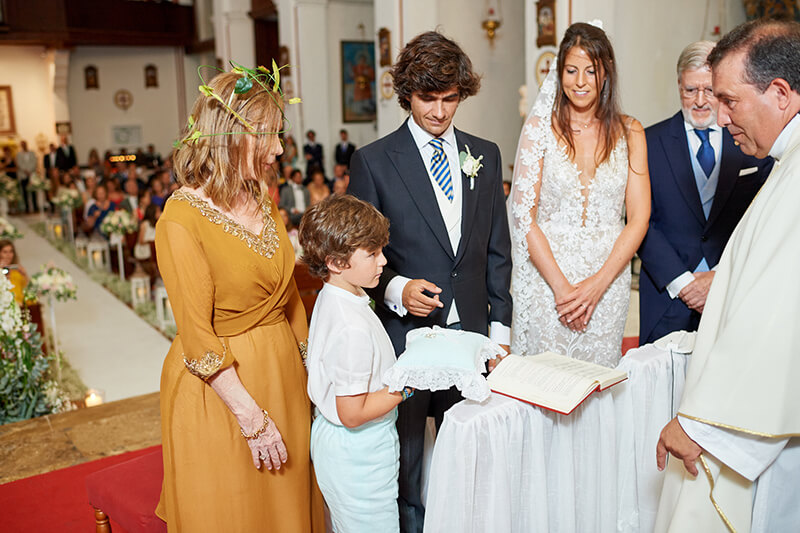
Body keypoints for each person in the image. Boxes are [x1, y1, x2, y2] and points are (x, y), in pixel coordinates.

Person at [348, 31, 513, 533]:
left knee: (472, 460)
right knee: (408, 464)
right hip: (406, 344)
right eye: (427, 99)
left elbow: (497, 253)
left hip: (473, 341)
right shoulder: (374, 161)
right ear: (406, 94)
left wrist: (500, 335)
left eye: (450, 99)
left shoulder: (484, 155)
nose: (440, 112)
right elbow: (357, 260)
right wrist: (397, 290)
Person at [154, 71, 323, 532]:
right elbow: (196, 333)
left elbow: (287, 296)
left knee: (289, 510)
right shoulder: (181, 219)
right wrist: (252, 419)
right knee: (236, 512)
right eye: (268, 135)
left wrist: (314, 374)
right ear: (229, 135)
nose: (279, 150)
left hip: (282, 375)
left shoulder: (262, 197)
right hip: (223, 393)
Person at [654, 20, 800, 533]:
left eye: (730, 101)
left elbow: (778, 319)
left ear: (779, 94)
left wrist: (700, 424)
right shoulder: (786, 162)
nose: (719, 116)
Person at [508, 22, 650, 368]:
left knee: (596, 383)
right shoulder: (540, 130)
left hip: (607, 283)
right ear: (560, 72)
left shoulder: (630, 131)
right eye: (572, 70)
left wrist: (597, 286)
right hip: (547, 283)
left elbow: (639, 217)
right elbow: (523, 214)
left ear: (606, 73)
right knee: (545, 383)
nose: (581, 81)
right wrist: (561, 289)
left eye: (591, 71)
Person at [637, 41, 772, 345]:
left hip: (732, 295)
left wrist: (720, 276)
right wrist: (684, 284)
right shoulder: (647, 142)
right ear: (678, 86)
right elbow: (639, 221)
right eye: (690, 90)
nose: (700, 101)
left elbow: (763, 219)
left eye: (709, 90)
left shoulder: (752, 142)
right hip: (668, 300)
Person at [301, 194, 412, 533]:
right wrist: (408, 385)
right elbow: (351, 412)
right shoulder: (350, 326)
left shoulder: (338, 295)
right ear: (336, 262)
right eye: (372, 254)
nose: (383, 262)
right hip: (359, 454)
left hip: (346, 447)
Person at [0, 240, 28, 305]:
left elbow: (27, 289)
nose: (8, 255)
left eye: (11, 251)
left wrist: (24, 274)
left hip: (20, 305)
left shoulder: (17, 270)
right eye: (5, 252)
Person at [15, 141, 37, 213]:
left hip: (31, 175)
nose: (24, 146)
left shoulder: (32, 153)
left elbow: (34, 162)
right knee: (25, 192)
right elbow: (19, 163)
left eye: (24, 144)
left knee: (33, 191)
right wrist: (25, 171)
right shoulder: (19, 154)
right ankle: (27, 207)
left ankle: (35, 206)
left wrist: (30, 170)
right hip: (23, 175)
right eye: (22, 145)